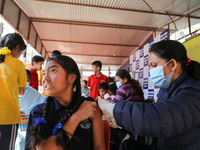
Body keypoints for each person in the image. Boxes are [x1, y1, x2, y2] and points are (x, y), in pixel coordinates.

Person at [98, 40, 200, 150]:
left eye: (154, 65)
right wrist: (120, 120)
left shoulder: (194, 92)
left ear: (172, 64)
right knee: (127, 146)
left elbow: (159, 118)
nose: (151, 71)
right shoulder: (166, 89)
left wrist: (112, 108)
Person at [25, 55, 106, 150]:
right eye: (44, 73)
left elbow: (100, 147)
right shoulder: (38, 112)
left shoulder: (89, 106)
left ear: (71, 78)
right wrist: (77, 117)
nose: (45, 78)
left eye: (53, 71)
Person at [0, 33, 27, 150]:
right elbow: (21, 92)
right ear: (17, 47)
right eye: (21, 51)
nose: (20, 55)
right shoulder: (18, 65)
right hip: (9, 116)